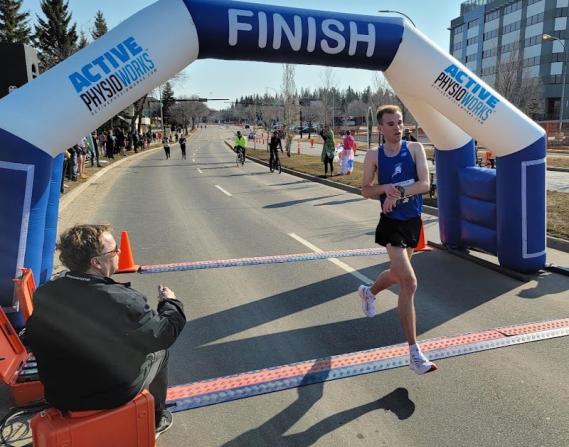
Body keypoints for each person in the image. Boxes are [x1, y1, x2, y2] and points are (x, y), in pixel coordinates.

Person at [24, 224, 186, 438]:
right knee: (160, 353)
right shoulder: (122, 300)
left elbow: (32, 336)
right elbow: (163, 335)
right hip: (107, 394)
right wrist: (170, 303)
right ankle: (156, 419)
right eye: (114, 250)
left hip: (58, 394)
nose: (119, 252)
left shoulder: (46, 292)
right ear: (96, 262)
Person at [357, 105, 436, 375]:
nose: (398, 128)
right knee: (409, 282)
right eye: (391, 124)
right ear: (381, 128)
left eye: (400, 122)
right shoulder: (374, 155)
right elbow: (365, 190)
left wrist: (398, 193)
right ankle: (414, 353)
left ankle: (369, 292)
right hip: (390, 224)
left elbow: (425, 184)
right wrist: (386, 189)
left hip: (412, 222)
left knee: (395, 274)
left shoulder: (414, 149)